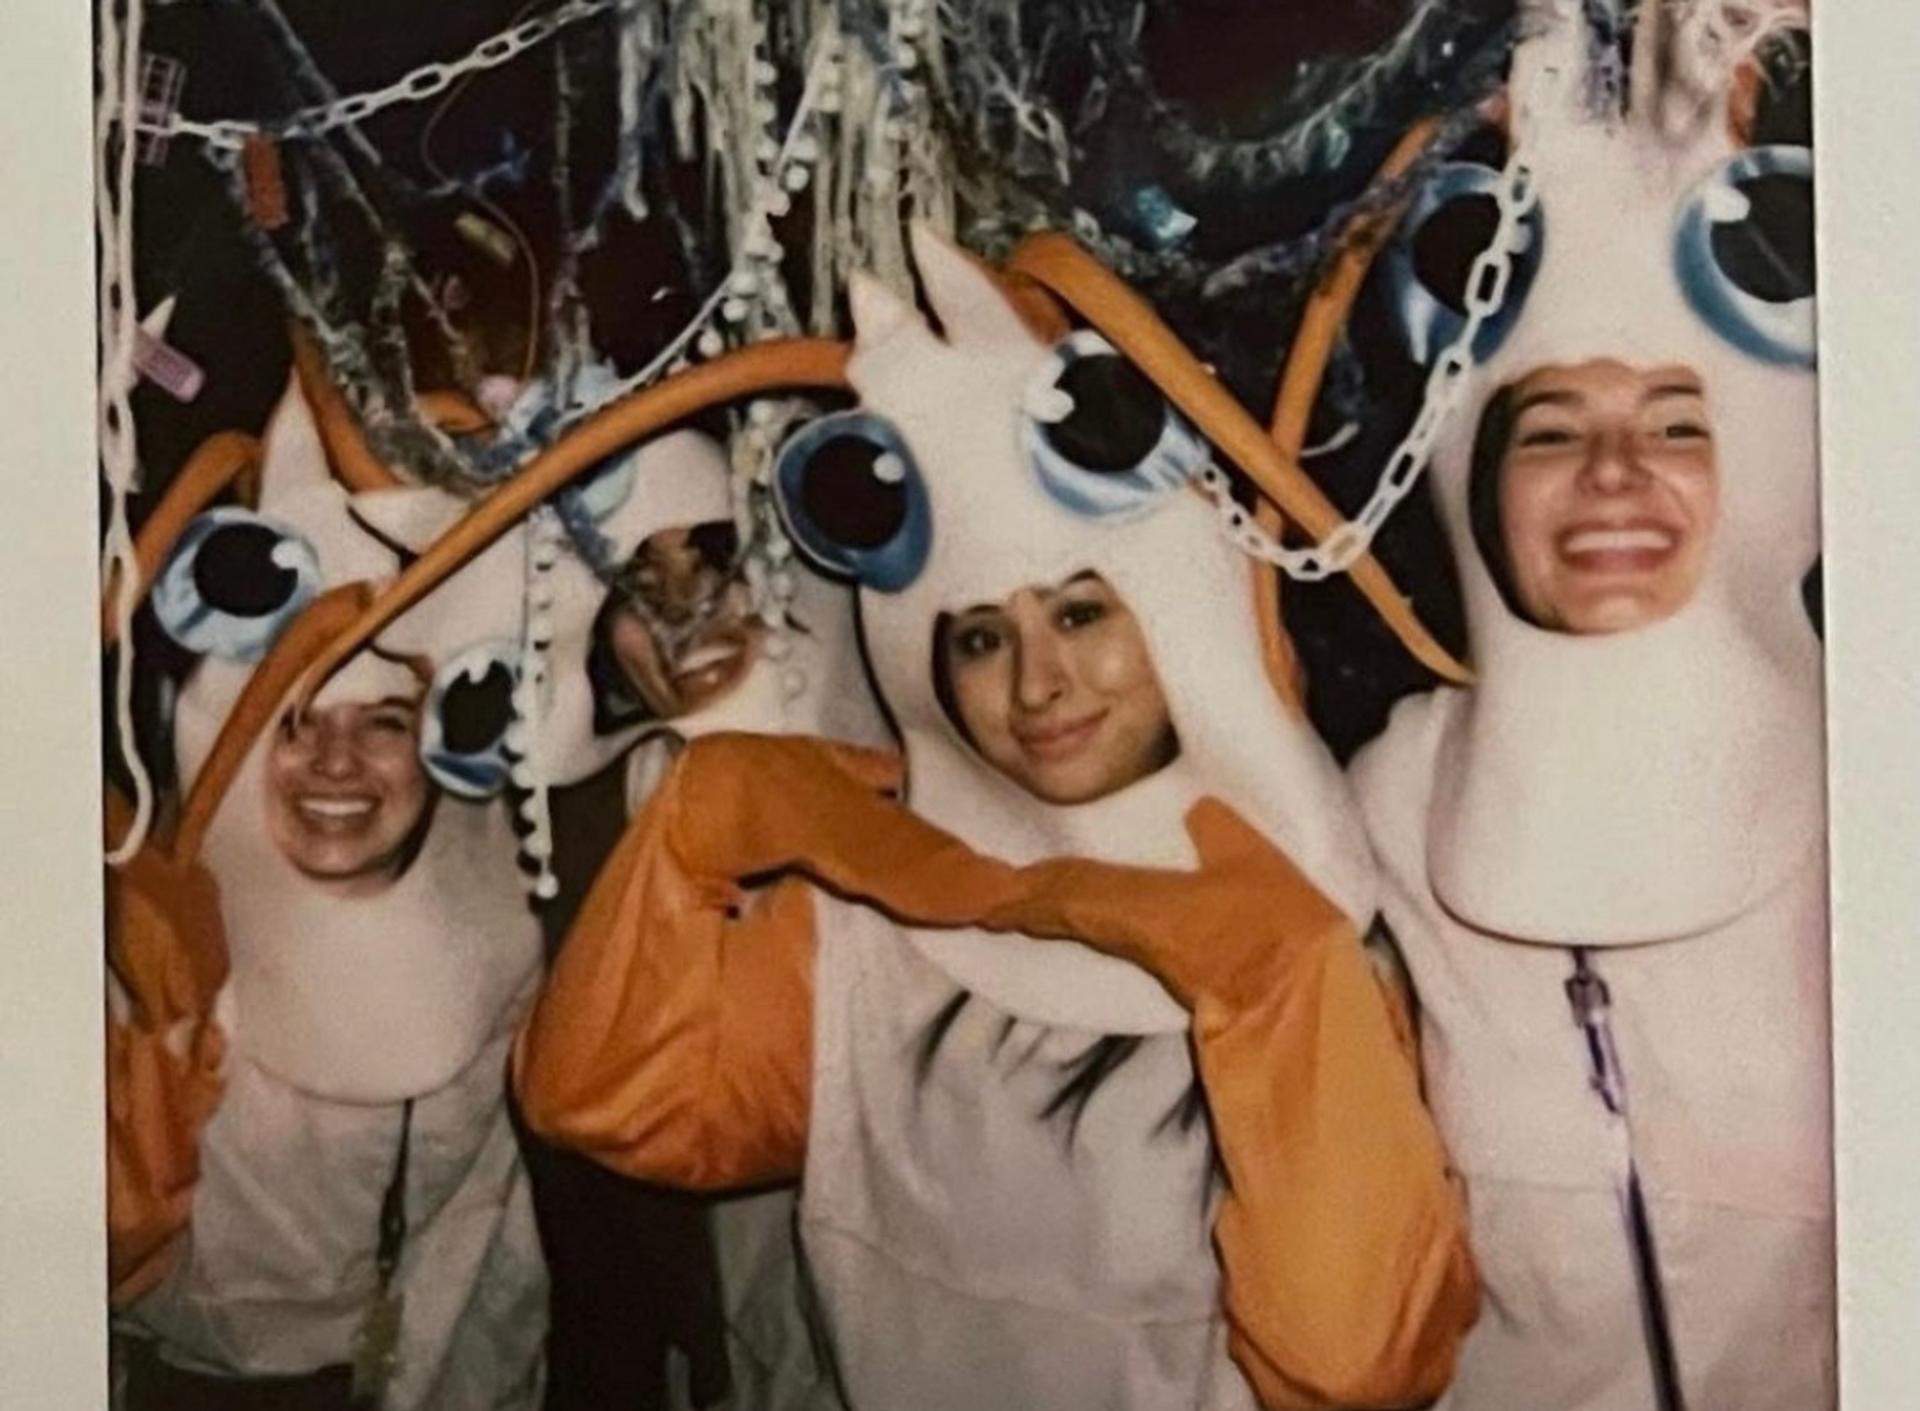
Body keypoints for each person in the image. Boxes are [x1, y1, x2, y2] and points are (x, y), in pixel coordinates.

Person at [514, 223, 1477, 1411]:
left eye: (1080, 616)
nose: (1037, 686)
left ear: (1171, 612)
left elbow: (1359, 1363)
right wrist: (702, 826)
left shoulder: (1319, 934)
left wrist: (1275, 979)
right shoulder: (875, 923)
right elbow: (612, 1099)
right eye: (981, 637)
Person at [1350, 8, 1827, 1409]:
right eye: (1550, 428)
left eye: (1677, 422)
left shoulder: (1879, 779)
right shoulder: (1396, 788)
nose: (1614, 474)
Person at [108, 367, 550, 1411]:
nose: (337, 766)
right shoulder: (144, 942)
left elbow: (489, 1267)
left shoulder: (506, 951)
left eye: (383, 724)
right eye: (296, 723)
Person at [530, 429, 889, 1411]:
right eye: (636, 582)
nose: (684, 613)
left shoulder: (959, 810)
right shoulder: (571, 838)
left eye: (721, 557)